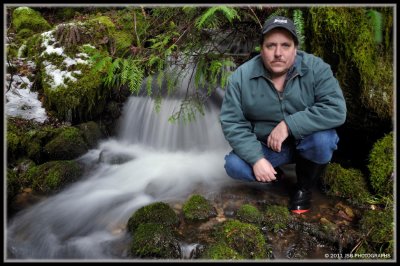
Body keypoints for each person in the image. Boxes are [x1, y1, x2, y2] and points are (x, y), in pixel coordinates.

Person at [219, 15, 347, 214]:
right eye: (271, 46)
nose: (278, 53)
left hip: (308, 140)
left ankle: (303, 188)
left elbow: (336, 109)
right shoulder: (241, 78)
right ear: (261, 49)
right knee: (235, 165)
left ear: (295, 49)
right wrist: (257, 160)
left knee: (323, 140)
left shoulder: (316, 69)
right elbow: (233, 123)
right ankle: (274, 175)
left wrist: (288, 125)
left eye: (285, 45)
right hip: (269, 147)